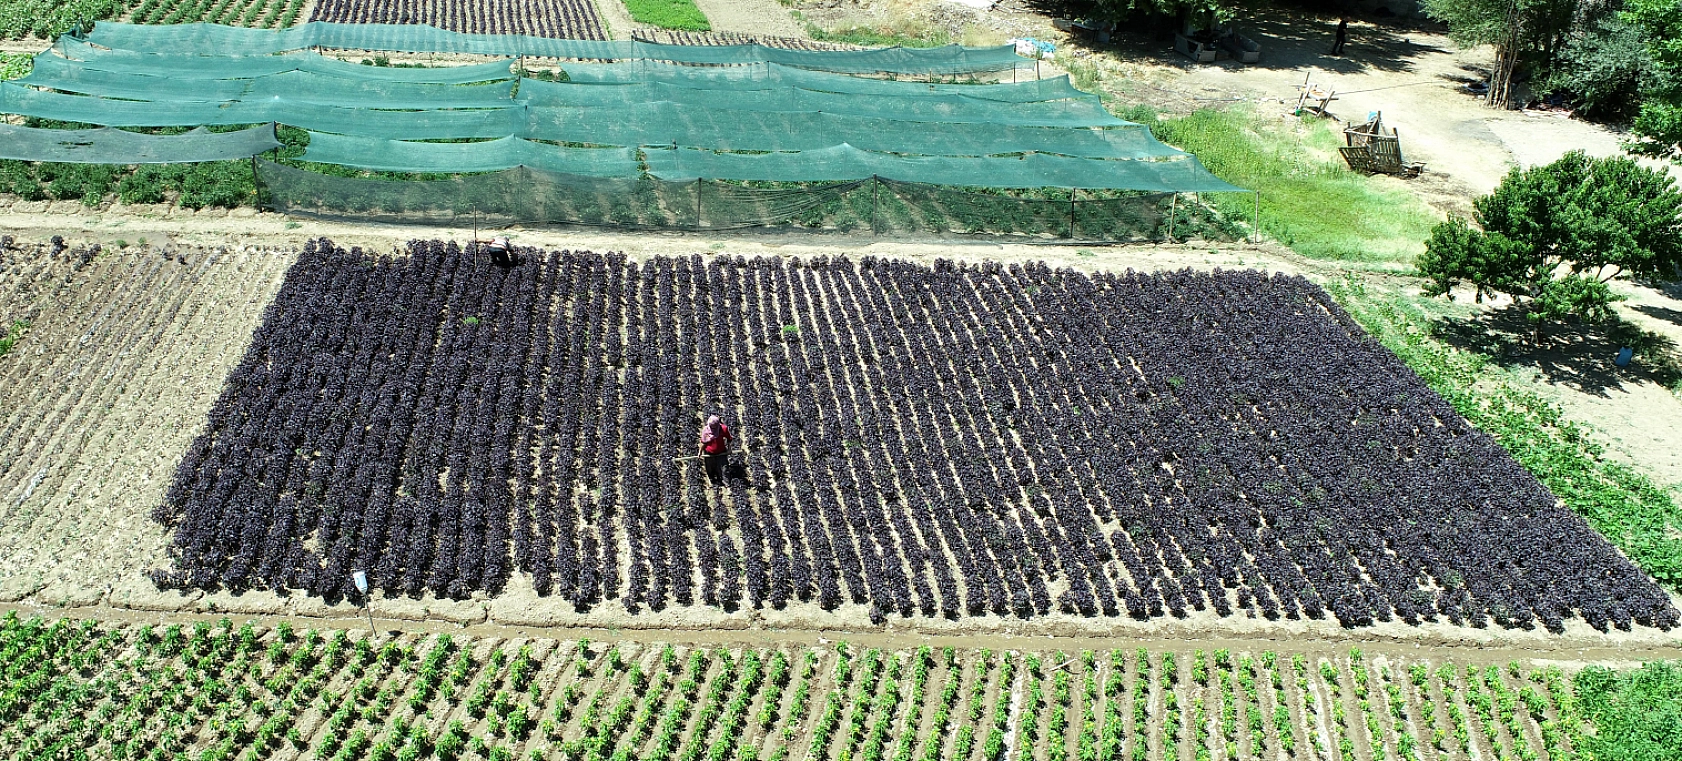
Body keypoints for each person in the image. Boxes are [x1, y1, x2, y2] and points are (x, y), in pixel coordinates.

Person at [699, 415, 734, 486]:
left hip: (721, 452)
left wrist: (729, 449)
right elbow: (703, 443)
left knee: (724, 468)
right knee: (710, 468)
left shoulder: (723, 429)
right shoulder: (706, 430)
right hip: (709, 453)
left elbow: (729, 439)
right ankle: (712, 481)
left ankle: (726, 482)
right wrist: (700, 452)